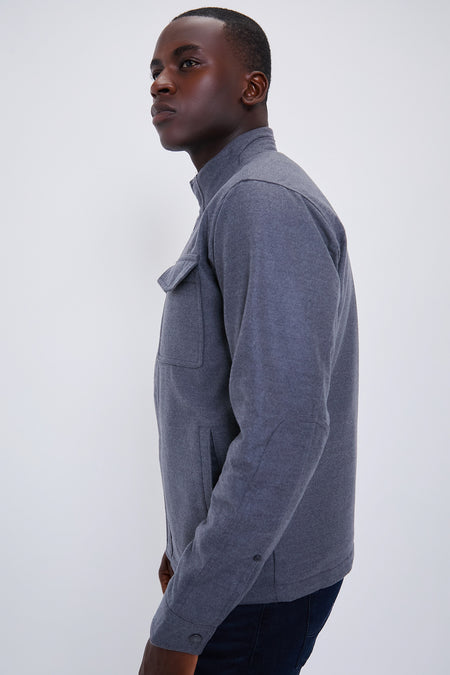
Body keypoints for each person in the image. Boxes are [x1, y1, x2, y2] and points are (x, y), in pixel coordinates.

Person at [139, 7, 359, 675]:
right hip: (239, 572)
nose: (161, 83)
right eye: (155, 70)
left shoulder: (259, 202)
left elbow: (284, 429)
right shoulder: (236, 199)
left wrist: (184, 621)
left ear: (251, 87)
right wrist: (187, 545)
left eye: (187, 63)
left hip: (250, 594)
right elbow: (217, 407)